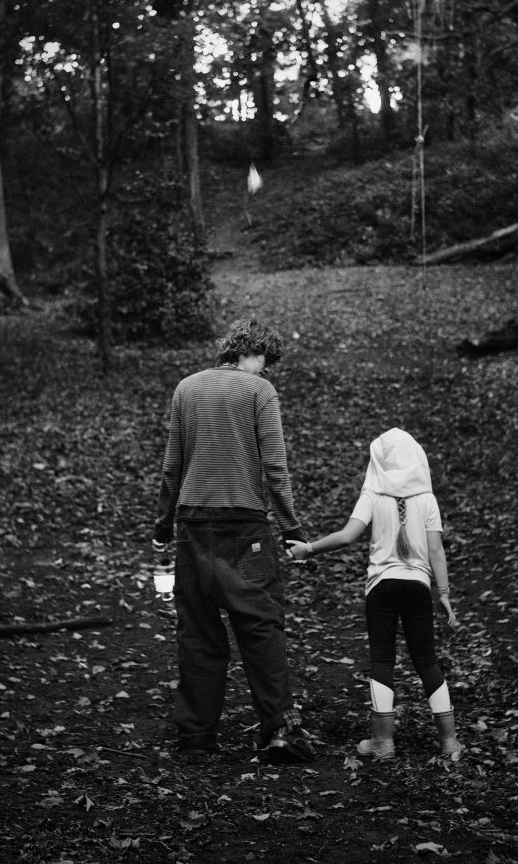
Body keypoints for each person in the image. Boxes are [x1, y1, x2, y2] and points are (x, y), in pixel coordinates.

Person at [153, 316, 313, 765]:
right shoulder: (260, 392)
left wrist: (163, 526)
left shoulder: (186, 388)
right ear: (254, 353)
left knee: (198, 634)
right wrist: (291, 528)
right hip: (245, 529)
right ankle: (279, 731)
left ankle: (196, 738)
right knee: (261, 626)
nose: (267, 371)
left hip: (191, 528)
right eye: (267, 362)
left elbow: (172, 465)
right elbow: (275, 469)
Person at [286, 428, 462, 761]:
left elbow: (347, 535)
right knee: (426, 661)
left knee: (382, 660)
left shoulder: (373, 494)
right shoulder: (427, 498)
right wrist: (444, 593)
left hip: (381, 587)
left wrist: (308, 549)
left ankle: (383, 742)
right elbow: (436, 550)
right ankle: (450, 742)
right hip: (418, 586)